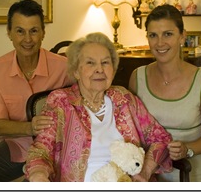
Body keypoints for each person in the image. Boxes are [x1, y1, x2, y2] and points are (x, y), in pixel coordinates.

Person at [24, 32, 173, 182]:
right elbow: (41, 150)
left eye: (105, 62)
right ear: (76, 71)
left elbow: (160, 138)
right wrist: (38, 174)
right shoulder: (60, 102)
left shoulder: (124, 98)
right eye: (90, 63)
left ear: (113, 70)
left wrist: (145, 172)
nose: (99, 69)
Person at [0, 0, 74, 182]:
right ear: (9, 33)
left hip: (58, 149)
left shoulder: (64, 67)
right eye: (20, 31)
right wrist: (30, 127)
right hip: (17, 147)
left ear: (43, 33)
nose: (28, 39)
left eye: (34, 31)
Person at [128, 4, 201, 182]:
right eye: (153, 35)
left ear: (182, 36)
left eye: (168, 34)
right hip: (146, 177)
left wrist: (187, 148)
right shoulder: (137, 77)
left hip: (190, 177)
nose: (160, 43)